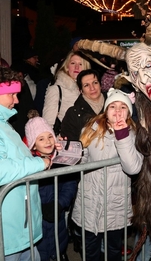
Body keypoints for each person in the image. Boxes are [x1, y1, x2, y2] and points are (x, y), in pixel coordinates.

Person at [71, 88, 144, 261]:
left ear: (128, 112)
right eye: (113, 106)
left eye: (122, 107)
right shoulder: (90, 129)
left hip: (114, 205)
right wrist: (69, 152)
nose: (117, 111)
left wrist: (122, 135)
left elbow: (132, 168)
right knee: (90, 250)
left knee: (113, 250)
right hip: (90, 202)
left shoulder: (134, 134)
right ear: (106, 110)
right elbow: (82, 161)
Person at [0, 67, 51, 261]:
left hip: (22, 229)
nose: (17, 100)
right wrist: (38, 163)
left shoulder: (5, 124)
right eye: (12, 94)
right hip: (10, 233)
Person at [24, 113, 77, 261]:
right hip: (37, 221)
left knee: (58, 244)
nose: (47, 142)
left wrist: (59, 204)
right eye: (41, 139)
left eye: (49, 136)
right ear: (33, 144)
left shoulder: (61, 159)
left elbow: (70, 185)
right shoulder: (30, 165)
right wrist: (40, 208)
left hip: (57, 216)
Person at [42, 51, 91, 130]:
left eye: (80, 64)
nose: (77, 67)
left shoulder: (88, 91)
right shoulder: (56, 90)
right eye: (73, 63)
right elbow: (47, 124)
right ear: (67, 66)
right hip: (64, 140)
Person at [61, 68, 106, 141]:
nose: (92, 88)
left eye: (95, 83)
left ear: (100, 84)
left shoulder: (114, 104)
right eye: (86, 85)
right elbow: (71, 145)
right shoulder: (73, 114)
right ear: (81, 90)